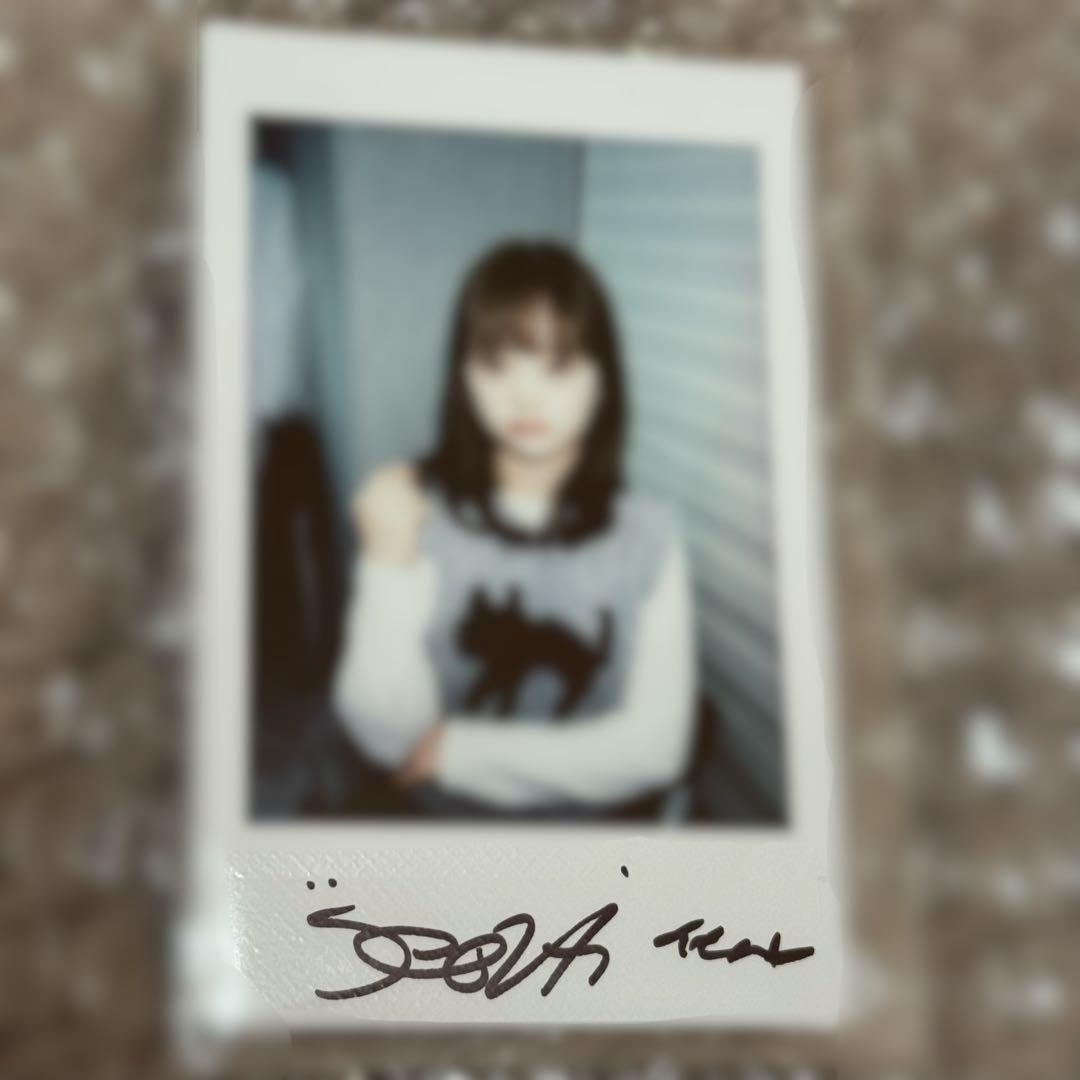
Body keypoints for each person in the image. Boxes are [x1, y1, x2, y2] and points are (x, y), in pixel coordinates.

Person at [332, 239, 696, 819]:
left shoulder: (650, 533)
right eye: (496, 366)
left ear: (603, 380)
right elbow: (390, 744)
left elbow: (658, 750)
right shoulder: (417, 514)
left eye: (558, 367)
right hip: (443, 829)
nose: (525, 396)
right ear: (464, 378)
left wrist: (460, 752)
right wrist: (387, 564)